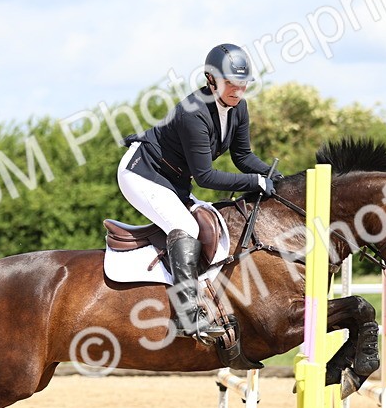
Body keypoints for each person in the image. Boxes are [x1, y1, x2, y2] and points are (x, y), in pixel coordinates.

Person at [118, 43, 282, 340]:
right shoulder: (193, 113)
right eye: (230, 82)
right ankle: (187, 315)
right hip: (141, 173)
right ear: (211, 79)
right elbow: (205, 176)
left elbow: (243, 157)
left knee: (213, 222)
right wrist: (254, 183)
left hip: (174, 180)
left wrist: (272, 176)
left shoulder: (238, 108)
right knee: (185, 227)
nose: (238, 89)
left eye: (243, 82)